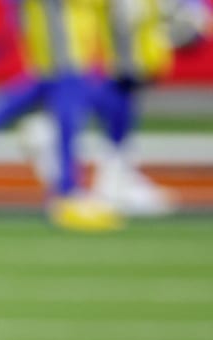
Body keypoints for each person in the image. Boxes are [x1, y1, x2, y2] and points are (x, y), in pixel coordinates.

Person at [0, 0, 124, 232]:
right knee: (69, 115)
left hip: (67, 42)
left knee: (32, 97)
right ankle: (67, 194)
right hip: (65, 43)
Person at [19, 0, 212, 216]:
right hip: (108, 54)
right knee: (89, 95)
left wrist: (188, 14)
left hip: (130, 53)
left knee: (116, 107)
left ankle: (113, 181)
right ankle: (96, 181)